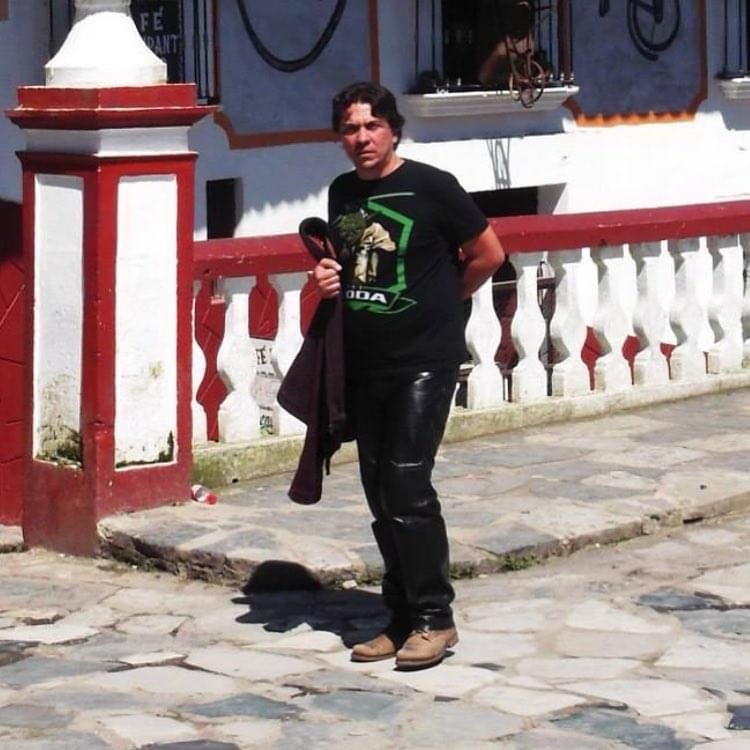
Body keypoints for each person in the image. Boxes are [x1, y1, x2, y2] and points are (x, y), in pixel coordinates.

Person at [312, 81, 505, 669]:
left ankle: (434, 618)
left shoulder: (432, 186)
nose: (362, 138)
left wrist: (444, 301)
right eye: (350, 128)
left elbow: (489, 254)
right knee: (378, 489)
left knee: (406, 484)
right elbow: (346, 263)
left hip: (424, 361)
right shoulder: (343, 192)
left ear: (393, 130)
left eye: (372, 126)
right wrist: (326, 277)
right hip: (365, 361)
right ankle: (398, 617)